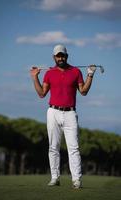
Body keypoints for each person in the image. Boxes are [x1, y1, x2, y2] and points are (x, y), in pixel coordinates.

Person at [30, 44, 96, 189]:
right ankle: (55, 178)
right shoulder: (49, 73)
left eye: (63, 55)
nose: (60, 58)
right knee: (53, 147)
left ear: (67, 56)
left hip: (70, 113)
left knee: (74, 148)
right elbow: (42, 93)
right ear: (54, 57)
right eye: (58, 55)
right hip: (53, 112)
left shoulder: (76, 71)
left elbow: (83, 91)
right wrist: (35, 78)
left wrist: (90, 75)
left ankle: (76, 180)